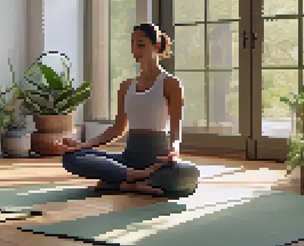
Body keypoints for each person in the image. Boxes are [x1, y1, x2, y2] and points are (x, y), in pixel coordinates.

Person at [54, 23, 200, 197]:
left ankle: (119, 183)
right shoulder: (126, 86)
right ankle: (136, 179)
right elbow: (118, 129)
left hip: (157, 160)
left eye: (141, 44)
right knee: (71, 157)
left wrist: (174, 150)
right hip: (128, 159)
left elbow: (176, 127)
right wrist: (82, 145)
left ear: (157, 46)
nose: (135, 50)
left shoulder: (171, 84)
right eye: (132, 44)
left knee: (189, 173)